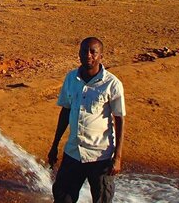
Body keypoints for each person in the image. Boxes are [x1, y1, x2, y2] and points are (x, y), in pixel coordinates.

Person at [48, 37, 125, 203]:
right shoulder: (71, 79)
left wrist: (117, 158)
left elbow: (119, 119)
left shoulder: (112, 84)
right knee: (62, 197)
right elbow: (65, 111)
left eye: (93, 52)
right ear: (79, 54)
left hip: (100, 156)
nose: (88, 55)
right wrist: (54, 146)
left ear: (101, 56)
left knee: (102, 199)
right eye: (84, 51)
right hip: (73, 152)